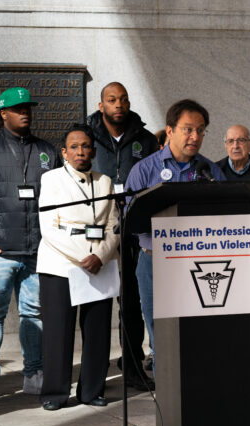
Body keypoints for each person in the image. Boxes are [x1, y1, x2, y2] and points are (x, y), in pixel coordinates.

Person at [0, 87, 59, 403]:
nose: (25, 112)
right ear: (3, 113)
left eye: (28, 107)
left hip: (37, 251)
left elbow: (58, 197)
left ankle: (34, 373)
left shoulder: (47, 151)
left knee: (33, 314)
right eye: (18, 108)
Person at [125, 99, 225, 367]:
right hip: (153, 260)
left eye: (201, 130)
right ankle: (166, 386)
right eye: (188, 129)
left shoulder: (210, 171)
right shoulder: (145, 170)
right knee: (161, 333)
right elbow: (129, 218)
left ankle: (198, 384)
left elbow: (225, 216)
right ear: (169, 130)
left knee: (197, 331)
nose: (195, 137)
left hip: (199, 261)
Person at [37, 124, 119, 410]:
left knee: (97, 330)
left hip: (99, 263)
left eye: (85, 146)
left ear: (93, 152)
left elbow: (113, 226)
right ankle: (55, 393)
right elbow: (49, 228)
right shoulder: (51, 179)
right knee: (58, 332)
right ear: (64, 152)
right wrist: (83, 256)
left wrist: (100, 256)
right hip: (61, 263)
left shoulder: (105, 181)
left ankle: (92, 390)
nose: (80, 151)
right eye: (74, 147)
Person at [88, 82, 158, 391]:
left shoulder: (145, 139)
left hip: (133, 230)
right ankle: (94, 374)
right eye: (112, 99)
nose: (119, 104)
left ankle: (132, 367)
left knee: (131, 302)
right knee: (96, 305)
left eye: (124, 99)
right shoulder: (87, 136)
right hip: (98, 231)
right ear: (101, 105)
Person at [217, 125, 250, 380]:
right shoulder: (215, 171)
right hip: (223, 248)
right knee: (225, 306)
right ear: (225, 145)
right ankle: (227, 361)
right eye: (231, 141)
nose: (236, 145)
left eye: (241, 140)